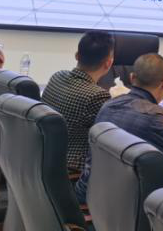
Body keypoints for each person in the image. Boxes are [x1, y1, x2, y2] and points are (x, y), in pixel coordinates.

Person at [75, 53, 163, 203]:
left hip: (88, 192)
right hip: (119, 204)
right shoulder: (154, 116)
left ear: (132, 78)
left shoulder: (109, 104)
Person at [43, 31, 114, 171]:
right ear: (108, 63)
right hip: (74, 169)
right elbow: (111, 137)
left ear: (77, 55)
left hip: (46, 157)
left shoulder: (57, 76)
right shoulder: (97, 96)